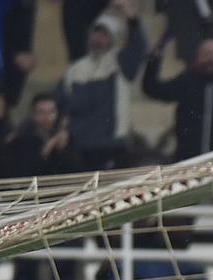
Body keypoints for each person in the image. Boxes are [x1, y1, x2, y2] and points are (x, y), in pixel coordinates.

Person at [56, 5, 146, 169]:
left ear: (113, 37)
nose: (98, 38)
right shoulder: (74, 70)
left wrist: (132, 18)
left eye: (104, 34)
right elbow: (61, 105)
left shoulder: (121, 62)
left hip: (112, 146)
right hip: (80, 147)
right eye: (96, 32)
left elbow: (138, 48)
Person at [140, 35, 213, 159]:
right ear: (197, 56)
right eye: (206, 53)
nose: (210, 57)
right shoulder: (186, 82)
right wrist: (154, 59)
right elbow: (151, 88)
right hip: (189, 158)